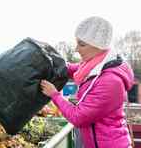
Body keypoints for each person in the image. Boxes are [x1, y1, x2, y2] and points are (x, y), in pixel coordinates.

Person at [40, 16, 134, 148]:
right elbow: (74, 69)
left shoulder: (110, 82)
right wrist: (53, 63)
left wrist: (54, 95)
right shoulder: (97, 64)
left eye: (82, 44)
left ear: (99, 46)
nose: (76, 49)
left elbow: (78, 117)